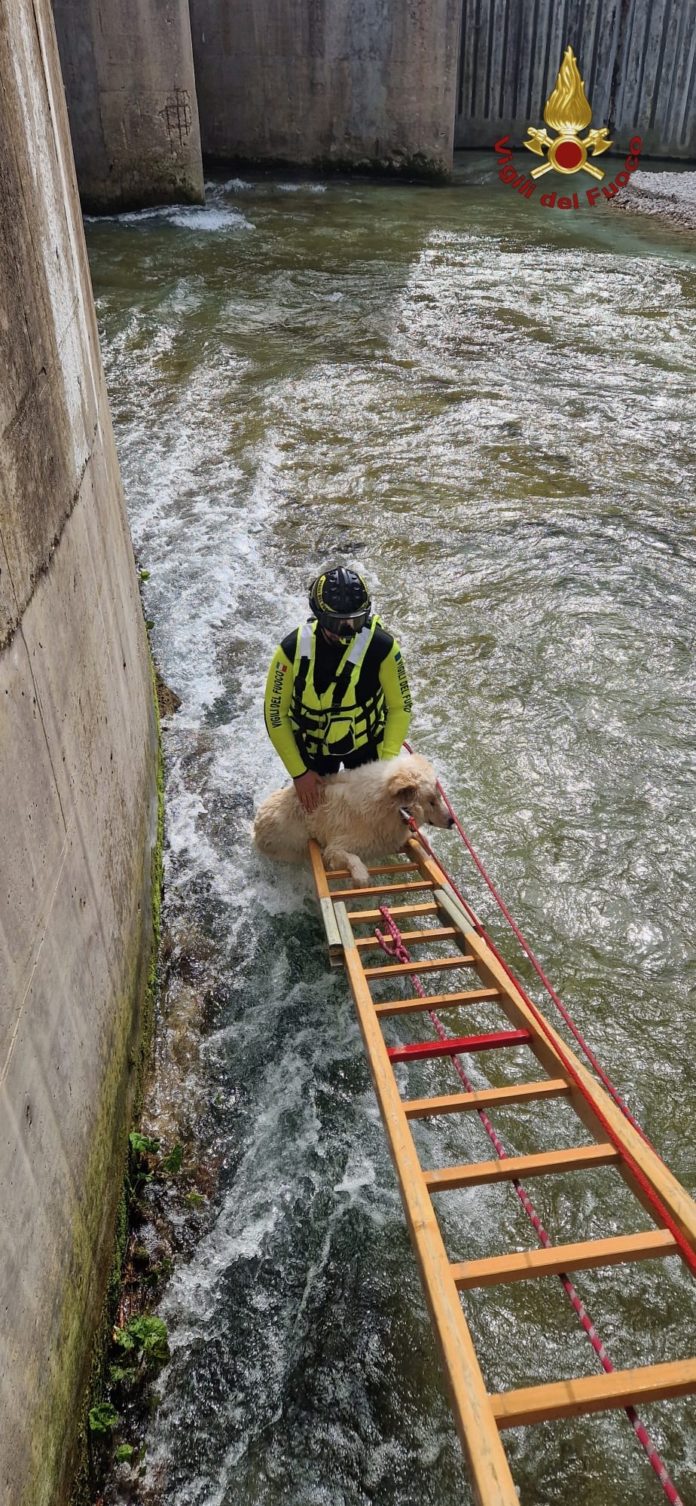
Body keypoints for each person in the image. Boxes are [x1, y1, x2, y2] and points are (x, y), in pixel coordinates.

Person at [264, 567, 412, 812]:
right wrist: (300, 774)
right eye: (337, 622)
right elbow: (274, 715)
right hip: (314, 752)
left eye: (356, 620)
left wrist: (386, 767)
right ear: (320, 616)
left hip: (368, 748)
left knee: (381, 812)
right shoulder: (290, 652)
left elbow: (400, 706)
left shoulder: (382, 648)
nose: (347, 629)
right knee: (315, 812)